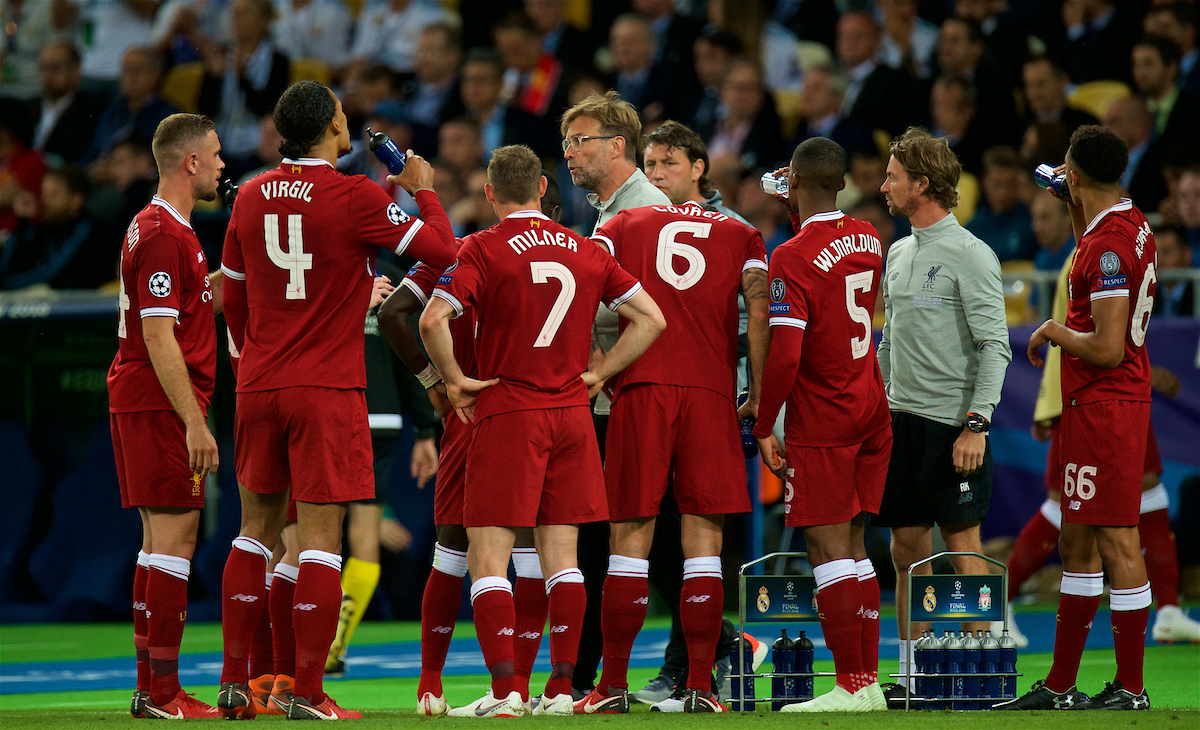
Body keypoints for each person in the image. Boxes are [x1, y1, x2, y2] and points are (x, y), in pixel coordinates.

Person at [216, 79, 457, 721]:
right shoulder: (356, 195)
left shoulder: (247, 194)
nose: (350, 126)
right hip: (325, 387)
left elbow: (231, 295)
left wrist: (251, 349)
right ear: (330, 128)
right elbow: (444, 250)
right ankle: (307, 692)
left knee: (253, 537)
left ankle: (236, 682)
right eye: (345, 118)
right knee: (322, 545)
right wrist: (423, 189)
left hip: (261, 382)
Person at [420, 144, 666, 717]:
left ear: (489, 193)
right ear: (541, 191)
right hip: (573, 415)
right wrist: (601, 371)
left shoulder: (481, 246)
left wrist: (456, 380)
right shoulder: (585, 248)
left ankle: (506, 692)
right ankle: (559, 691)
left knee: (488, 557)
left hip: (510, 410)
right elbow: (651, 317)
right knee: (565, 559)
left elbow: (433, 317)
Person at [377, 175, 566, 715]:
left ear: (493, 197)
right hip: (536, 413)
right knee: (530, 552)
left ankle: (431, 686)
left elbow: (392, 314)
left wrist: (436, 382)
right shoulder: (574, 252)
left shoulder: (464, 251)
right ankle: (520, 688)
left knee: (453, 550)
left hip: (468, 413)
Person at [1000, 125, 1157, 711]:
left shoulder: (1109, 246)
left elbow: (1109, 345)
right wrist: (1074, 208)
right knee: (1078, 536)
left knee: (1117, 538)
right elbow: (1088, 275)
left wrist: (1053, 330)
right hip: (1100, 405)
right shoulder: (1123, 225)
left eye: (1067, 167)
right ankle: (1063, 686)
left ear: (1080, 173)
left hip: (1107, 402)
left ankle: (1133, 689)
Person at [752, 137, 889, 713]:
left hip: (824, 416)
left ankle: (853, 686)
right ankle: (869, 681)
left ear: (800, 182)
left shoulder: (790, 255)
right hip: (869, 406)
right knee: (856, 548)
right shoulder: (870, 238)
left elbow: (785, 354)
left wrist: (763, 423)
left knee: (827, 548)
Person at [875, 127, 1011, 706]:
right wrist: (877, 402)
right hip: (899, 422)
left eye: (893, 177)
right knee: (906, 548)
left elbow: (995, 346)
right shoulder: (897, 251)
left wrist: (976, 423)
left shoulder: (972, 254)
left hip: (952, 427)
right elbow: (888, 342)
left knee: (964, 549)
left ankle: (989, 674)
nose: (883, 186)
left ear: (921, 184)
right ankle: (915, 675)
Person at [106, 112, 226, 720]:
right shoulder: (163, 235)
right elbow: (159, 337)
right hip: (159, 399)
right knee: (175, 540)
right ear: (191, 162)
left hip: (143, 396)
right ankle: (164, 692)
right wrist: (194, 422)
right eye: (216, 153)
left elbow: (198, 303)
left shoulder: (162, 228)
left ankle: (149, 687)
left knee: (157, 545)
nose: (222, 164)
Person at [559, 90, 670, 699]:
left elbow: (655, 313)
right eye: (567, 144)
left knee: (624, 538)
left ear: (618, 145)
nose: (570, 155)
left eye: (581, 141)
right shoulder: (612, 212)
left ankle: (592, 674)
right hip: (618, 394)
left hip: (632, 396)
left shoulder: (644, 211)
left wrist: (604, 371)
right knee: (640, 537)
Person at [967, 146, 1039, 262]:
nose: (1003, 193)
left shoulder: (1033, 224)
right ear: (984, 181)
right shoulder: (972, 230)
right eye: (997, 185)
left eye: (1009, 185)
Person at [1152, 225, 1194, 317]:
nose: (1159, 260)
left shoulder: (1196, 294)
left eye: (1166, 252)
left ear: (1186, 254)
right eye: (1155, 254)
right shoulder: (1149, 298)